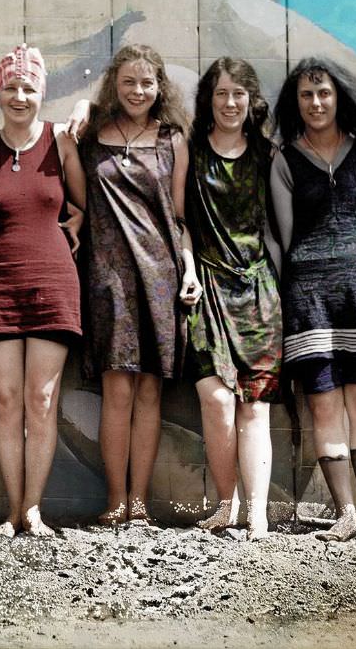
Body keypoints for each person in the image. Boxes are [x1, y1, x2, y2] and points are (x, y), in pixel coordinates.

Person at [271, 56, 356, 542]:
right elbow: (286, 239)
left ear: (338, 97)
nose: (315, 102)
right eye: (306, 95)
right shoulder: (284, 160)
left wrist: (349, 263)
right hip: (307, 296)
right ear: (297, 102)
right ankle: (345, 514)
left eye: (323, 93)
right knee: (325, 407)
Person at [77, 44, 202, 526]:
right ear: (115, 83)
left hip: (161, 276)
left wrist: (188, 270)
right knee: (117, 392)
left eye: (147, 82)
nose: (138, 91)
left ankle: (140, 503)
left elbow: (180, 216)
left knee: (150, 393)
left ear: (160, 87)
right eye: (129, 81)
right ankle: (114, 501)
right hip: (107, 278)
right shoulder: (89, 135)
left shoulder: (173, 139)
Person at [0, 45, 86, 537]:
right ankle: (10, 510)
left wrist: (78, 218)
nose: (20, 96)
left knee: (40, 400)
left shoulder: (60, 140)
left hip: (53, 283)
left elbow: (83, 202)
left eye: (29, 88)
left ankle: (33, 510)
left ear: (43, 94)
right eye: (12, 87)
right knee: (6, 399)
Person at [186, 58, 282, 540]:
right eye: (222, 93)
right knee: (216, 400)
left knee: (256, 406)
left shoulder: (268, 154)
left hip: (258, 292)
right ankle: (227, 504)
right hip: (205, 286)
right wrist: (187, 269)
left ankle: (257, 513)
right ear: (210, 98)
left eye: (239, 94)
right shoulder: (190, 151)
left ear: (251, 100)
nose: (230, 103)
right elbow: (179, 220)